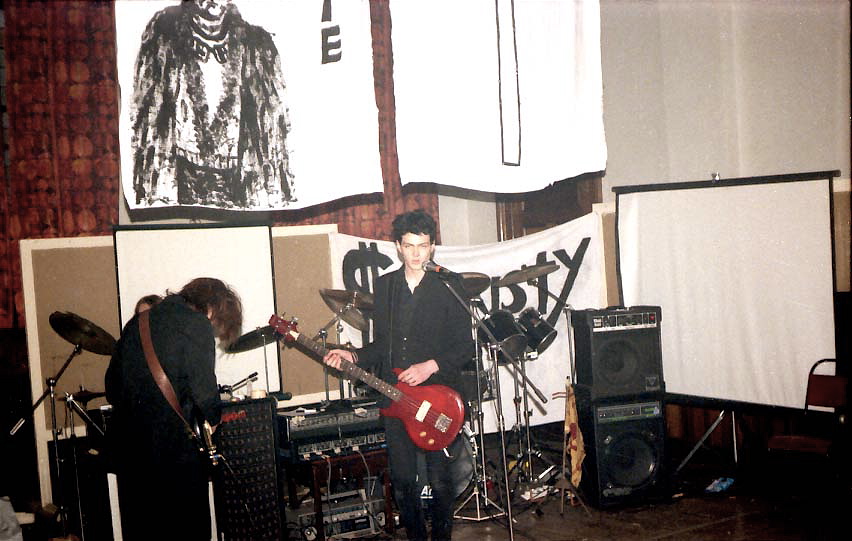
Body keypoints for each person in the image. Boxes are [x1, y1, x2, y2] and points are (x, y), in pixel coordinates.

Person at [324, 210, 474, 541]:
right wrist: (354, 355)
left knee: (439, 481)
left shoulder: (450, 284)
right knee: (404, 481)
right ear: (397, 246)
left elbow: (467, 345)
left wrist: (430, 365)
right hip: (397, 398)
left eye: (423, 246)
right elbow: (382, 345)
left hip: (438, 396)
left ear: (433, 246)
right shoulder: (387, 285)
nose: (417, 253)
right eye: (409, 246)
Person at [105, 277, 242, 541]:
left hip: (132, 457)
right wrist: (213, 419)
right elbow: (204, 392)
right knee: (188, 529)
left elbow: (112, 387)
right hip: (175, 455)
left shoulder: (137, 323)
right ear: (211, 308)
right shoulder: (196, 324)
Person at [130, 0, 295, 209]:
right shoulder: (164, 36)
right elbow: (148, 119)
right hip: (179, 177)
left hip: (239, 181)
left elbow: (272, 132)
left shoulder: (257, 44)